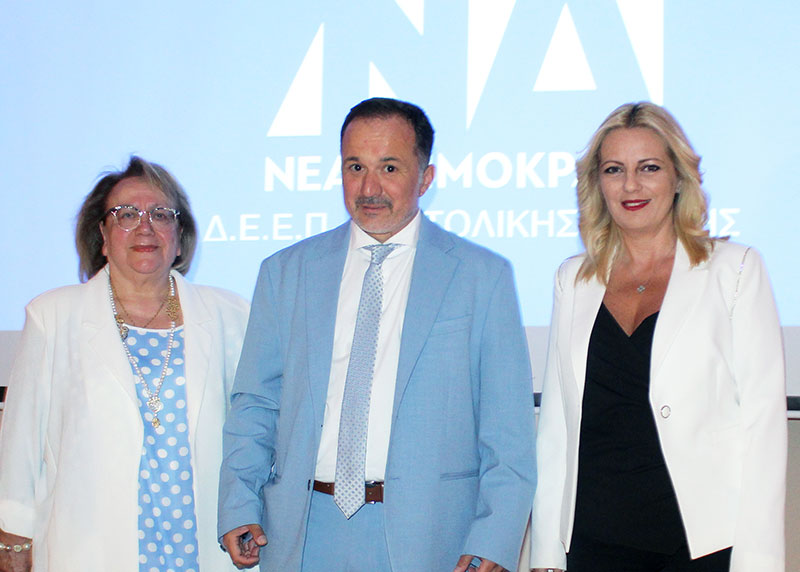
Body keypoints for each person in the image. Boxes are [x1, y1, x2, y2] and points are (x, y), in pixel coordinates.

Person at [218, 97, 536, 572]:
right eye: (355, 167)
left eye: (389, 167)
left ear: (425, 178)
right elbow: (256, 405)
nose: (369, 188)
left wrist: (495, 536)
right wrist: (238, 502)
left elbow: (508, 429)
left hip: (431, 537)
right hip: (301, 533)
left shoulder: (481, 276)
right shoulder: (286, 272)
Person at [529, 102, 787, 572]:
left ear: (679, 178)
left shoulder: (734, 270)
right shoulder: (573, 279)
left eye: (648, 167)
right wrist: (546, 553)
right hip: (591, 543)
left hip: (701, 546)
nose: (631, 185)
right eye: (614, 170)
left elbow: (763, 427)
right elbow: (556, 430)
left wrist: (759, 562)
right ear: (597, 184)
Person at [0, 157, 250, 572]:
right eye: (127, 214)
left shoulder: (231, 314)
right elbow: (21, 440)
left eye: (161, 214)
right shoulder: (53, 315)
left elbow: (253, 433)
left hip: (204, 543)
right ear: (102, 235)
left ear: (180, 236)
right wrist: (13, 536)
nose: (145, 227)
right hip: (89, 545)